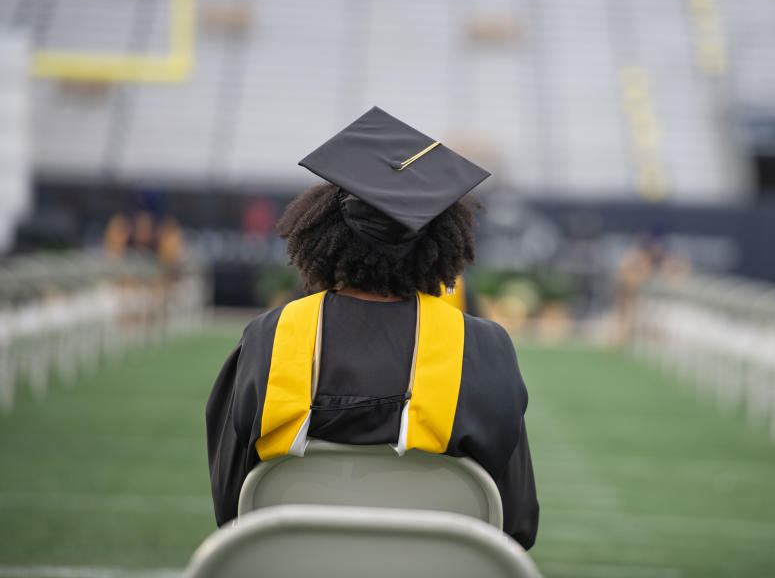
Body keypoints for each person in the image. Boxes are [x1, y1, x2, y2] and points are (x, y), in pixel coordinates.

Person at [205, 107, 539, 549]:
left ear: (320, 229)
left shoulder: (270, 338)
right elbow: (515, 523)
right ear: (442, 241)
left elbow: (233, 508)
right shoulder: (482, 346)